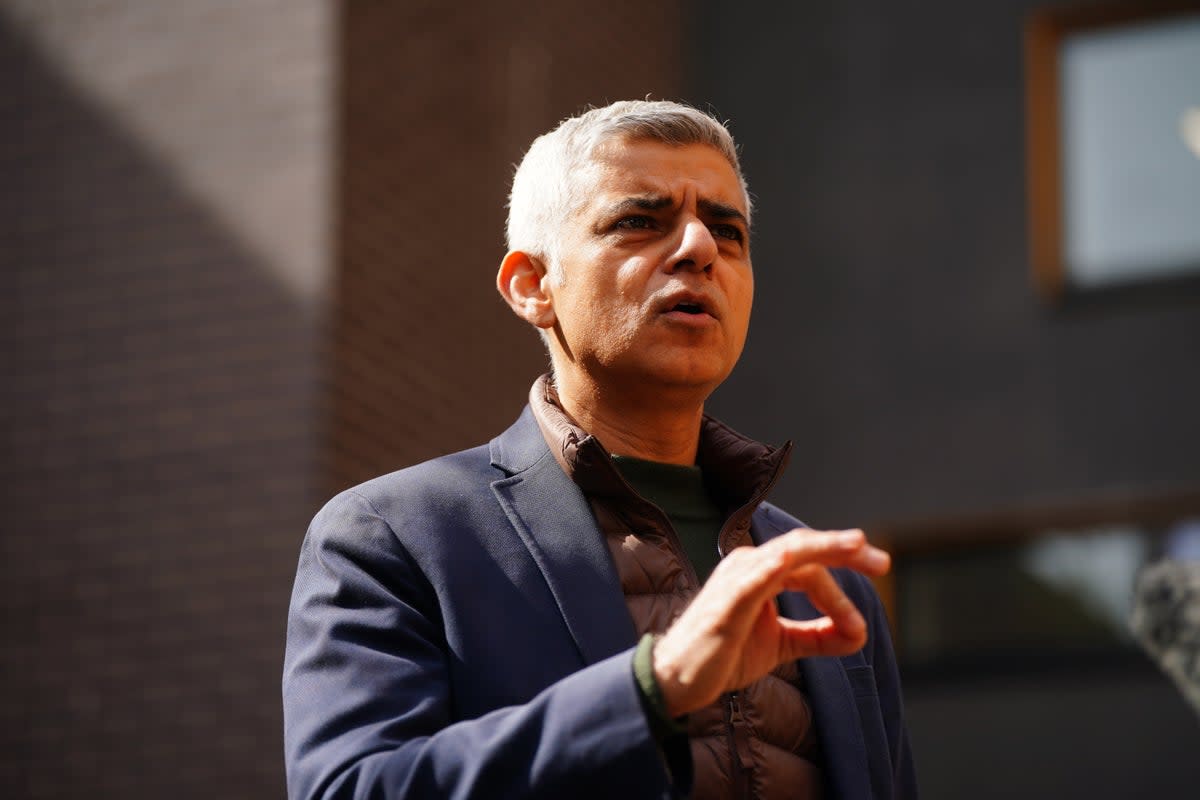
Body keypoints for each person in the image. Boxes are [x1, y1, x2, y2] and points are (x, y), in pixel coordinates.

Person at [283, 100, 917, 799]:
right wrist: (652, 687)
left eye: (727, 231)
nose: (699, 249)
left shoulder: (827, 583)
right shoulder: (395, 538)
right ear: (532, 286)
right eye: (639, 222)